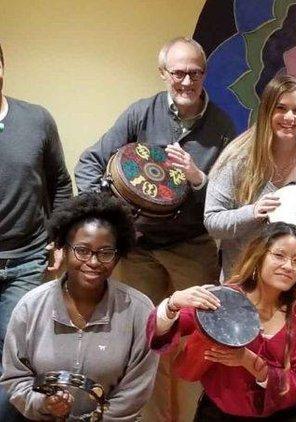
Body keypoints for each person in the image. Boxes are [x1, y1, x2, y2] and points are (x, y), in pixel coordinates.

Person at [74, 37, 236, 421]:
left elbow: (231, 198)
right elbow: (90, 163)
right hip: (140, 248)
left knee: (193, 340)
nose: (186, 81)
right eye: (178, 72)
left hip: (193, 248)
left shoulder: (223, 126)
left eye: (195, 72)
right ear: (163, 74)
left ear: (204, 74)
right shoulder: (140, 114)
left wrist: (199, 178)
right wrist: (111, 217)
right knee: (143, 338)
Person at [0, 193, 158, 421]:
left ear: (118, 255)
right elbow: (15, 378)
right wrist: (44, 404)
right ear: (64, 248)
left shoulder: (139, 311)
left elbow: (134, 393)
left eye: (105, 253)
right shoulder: (31, 306)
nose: (93, 262)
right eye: (82, 250)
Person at [147, 222, 296, 421]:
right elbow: (159, 332)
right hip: (218, 415)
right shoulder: (224, 298)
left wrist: (247, 360)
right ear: (259, 255)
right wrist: (172, 303)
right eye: (279, 255)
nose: (288, 266)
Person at [205, 75, 296, 278]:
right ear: (267, 110)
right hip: (243, 282)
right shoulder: (238, 156)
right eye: (281, 108)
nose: (289, 117)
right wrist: (252, 213)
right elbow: (212, 221)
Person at [0, 41, 73, 421]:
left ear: (2, 66)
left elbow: (60, 183)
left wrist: (59, 239)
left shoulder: (36, 119)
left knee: (18, 357)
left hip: (28, 260)